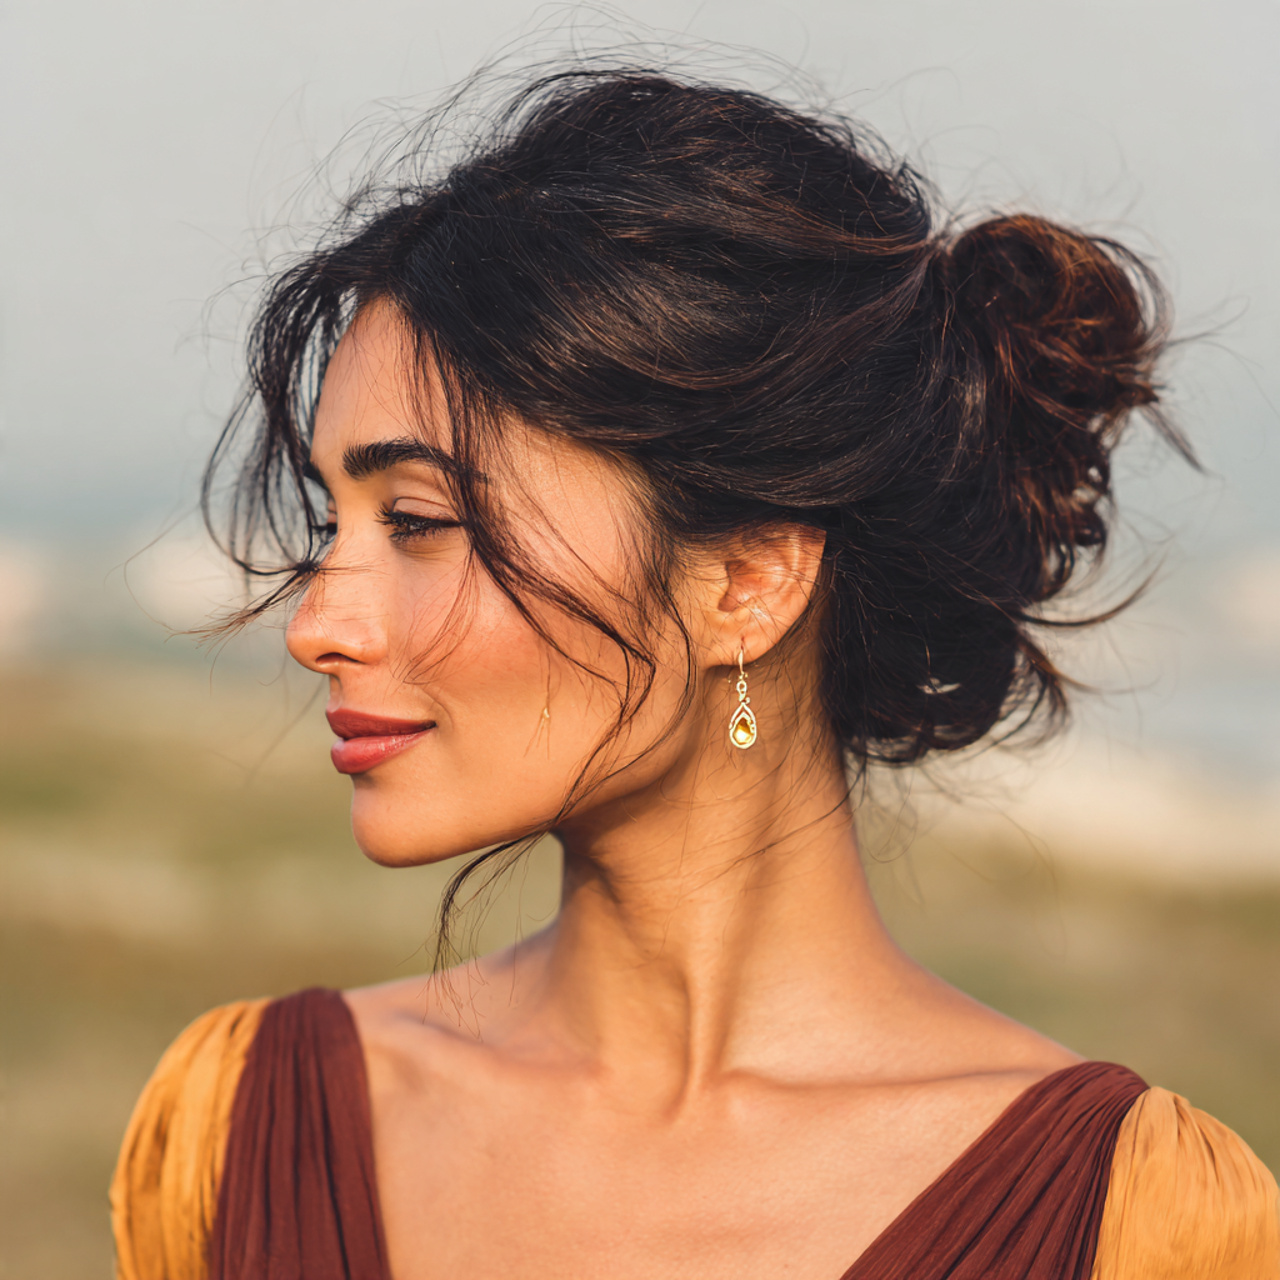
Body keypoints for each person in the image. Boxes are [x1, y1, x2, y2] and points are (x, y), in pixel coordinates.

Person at [111, 69, 1279, 1280]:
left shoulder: (1116, 1220)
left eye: (416, 520)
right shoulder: (246, 1131)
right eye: (328, 525)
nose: (315, 625)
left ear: (747, 581)